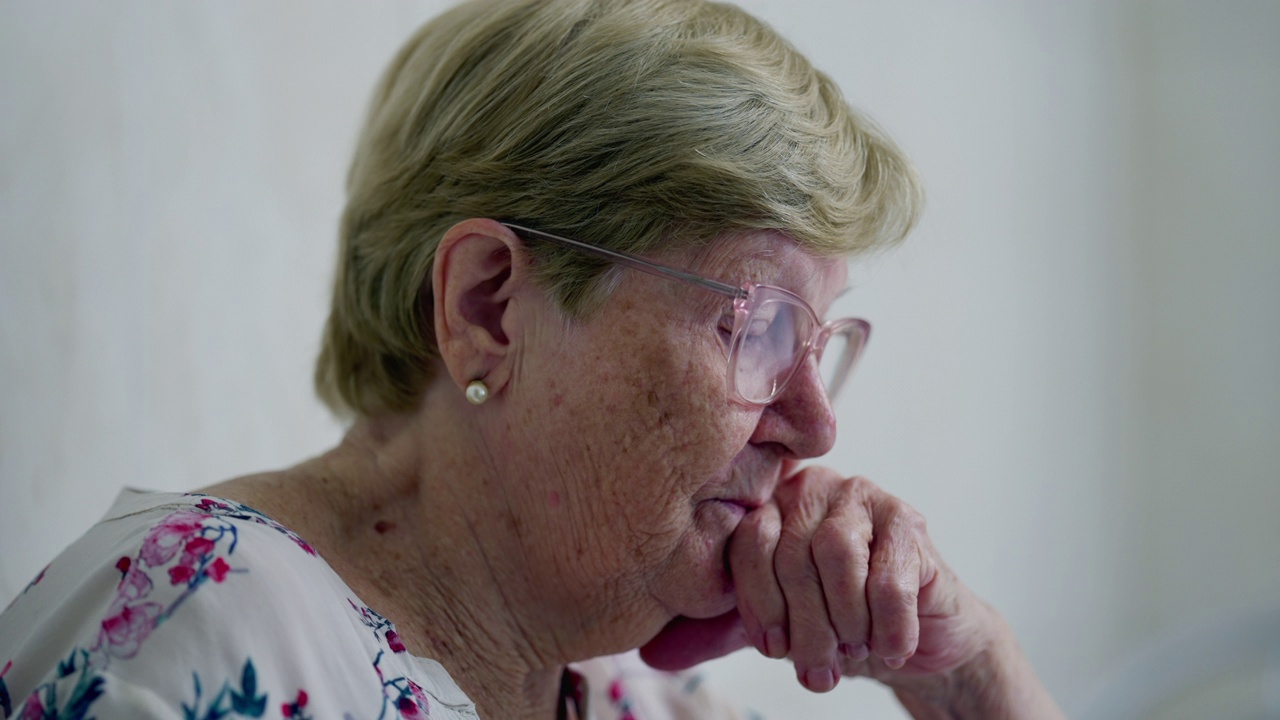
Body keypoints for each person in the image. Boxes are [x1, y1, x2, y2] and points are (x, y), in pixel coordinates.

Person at [0, 0, 1065, 718]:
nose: (816, 423)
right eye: (755, 325)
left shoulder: (625, 688)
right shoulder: (202, 633)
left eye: (820, 344)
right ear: (489, 308)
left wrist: (965, 673)